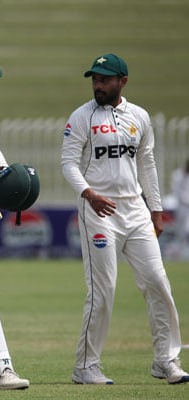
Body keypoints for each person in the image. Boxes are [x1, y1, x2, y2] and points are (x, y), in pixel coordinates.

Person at [62, 53, 189, 385]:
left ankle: (166, 360)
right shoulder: (81, 117)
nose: (98, 85)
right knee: (103, 289)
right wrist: (89, 194)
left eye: (105, 79)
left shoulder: (139, 117)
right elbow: (68, 164)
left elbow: (147, 165)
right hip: (98, 212)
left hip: (135, 212)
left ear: (123, 81)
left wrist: (157, 211)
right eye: (95, 79)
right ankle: (86, 366)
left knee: (158, 283)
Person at [171, 158, 189, 255]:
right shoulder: (178, 175)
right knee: (181, 231)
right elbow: (178, 192)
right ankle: (182, 253)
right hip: (182, 207)